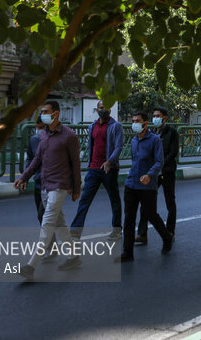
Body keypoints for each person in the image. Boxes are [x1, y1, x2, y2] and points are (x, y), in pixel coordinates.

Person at [14, 100, 82, 278]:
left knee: (47, 224)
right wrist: (24, 177)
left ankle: (31, 266)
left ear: (56, 114)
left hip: (59, 186)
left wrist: (76, 188)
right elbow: (37, 160)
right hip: (44, 185)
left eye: (46, 111)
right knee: (59, 225)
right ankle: (73, 257)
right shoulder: (43, 135)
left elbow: (76, 164)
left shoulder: (69, 136)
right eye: (42, 111)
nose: (42, 114)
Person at [119, 111, 174, 262]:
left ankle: (167, 237)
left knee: (151, 215)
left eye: (138, 121)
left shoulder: (155, 140)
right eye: (133, 120)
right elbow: (134, 161)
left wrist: (149, 175)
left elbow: (159, 162)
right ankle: (127, 252)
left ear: (145, 123)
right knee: (129, 218)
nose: (135, 123)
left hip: (147, 185)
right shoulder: (133, 141)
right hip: (132, 183)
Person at [70, 101, 124, 240]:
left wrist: (110, 161)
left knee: (114, 200)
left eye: (106, 107)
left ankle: (117, 230)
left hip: (109, 169)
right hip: (93, 168)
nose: (103, 110)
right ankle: (75, 230)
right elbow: (91, 146)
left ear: (110, 111)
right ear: (96, 109)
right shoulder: (92, 126)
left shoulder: (116, 126)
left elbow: (118, 147)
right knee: (85, 200)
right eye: (101, 108)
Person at [136, 107, 179, 245]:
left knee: (169, 202)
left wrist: (160, 165)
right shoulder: (151, 133)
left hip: (166, 172)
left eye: (158, 116)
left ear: (165, 117)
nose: (155, 118)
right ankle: (142, 234)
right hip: (153, 173)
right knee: (145, 202)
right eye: (154, 116)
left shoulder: (172, 132)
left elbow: (173, 153)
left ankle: (170, 231)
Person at [26, 114, 46, 223]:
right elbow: (30, 159)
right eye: (37, 128)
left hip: (52, 184)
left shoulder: (56, 140)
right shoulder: (34, 140)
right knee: (44, 217)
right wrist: (25, 176)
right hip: (38, 182)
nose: (38, 131)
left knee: (42, 215)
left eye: (42, 128)